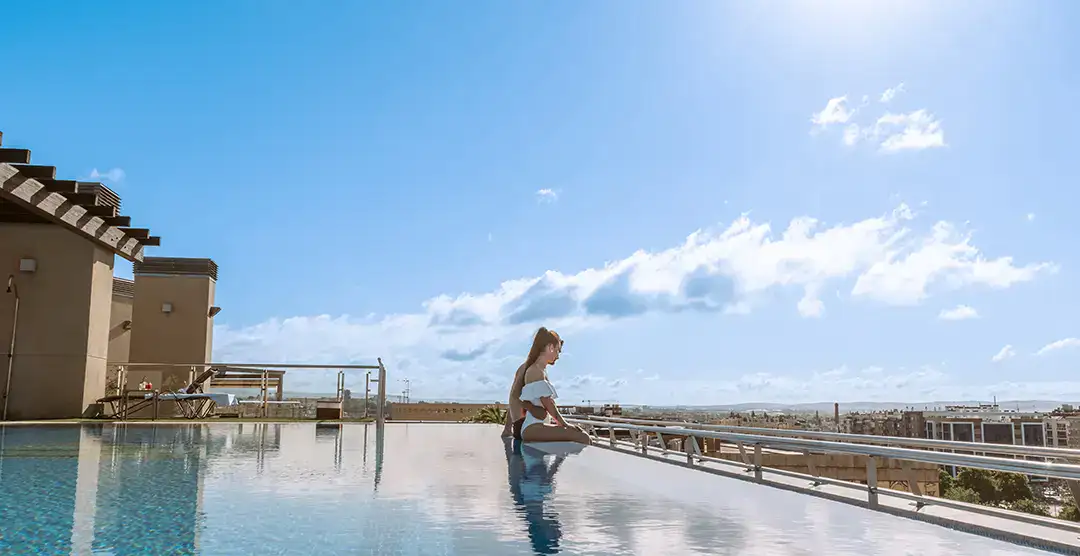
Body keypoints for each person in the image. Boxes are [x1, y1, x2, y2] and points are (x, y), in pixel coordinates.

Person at [516, 327, 591, 444]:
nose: (558, 356)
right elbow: (547, 402)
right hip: (533, 428)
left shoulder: (540, 371)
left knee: (581, 436)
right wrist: (564, 424)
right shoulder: (536, 371)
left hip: (535, 427)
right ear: (550, 347)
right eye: (557, 350)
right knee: (583, 437)